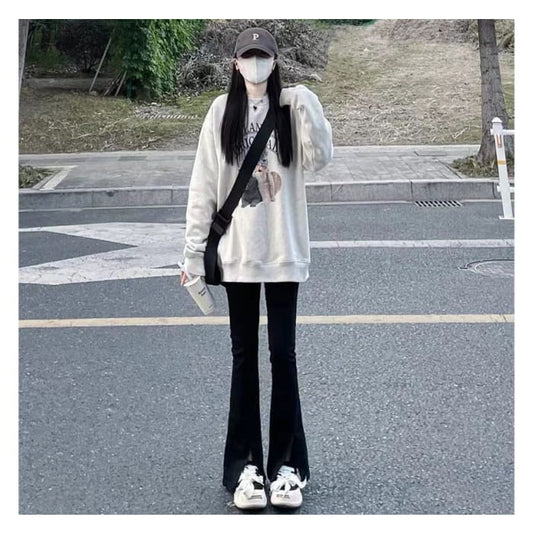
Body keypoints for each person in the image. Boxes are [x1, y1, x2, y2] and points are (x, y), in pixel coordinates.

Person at [180, 27, 333, 510]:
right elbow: (203, 185)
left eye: (262, 56)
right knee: (244, 358)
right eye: (247, 56)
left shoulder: (291, 109)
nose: (255, 63)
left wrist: (306, 102)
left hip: (283, 251)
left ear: (274, 61)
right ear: (235, 63)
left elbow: (321, 159)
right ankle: (246, 467)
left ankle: (287, 467)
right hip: (239, 254)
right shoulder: (220, 112)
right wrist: (193, 253)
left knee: (283, 356)